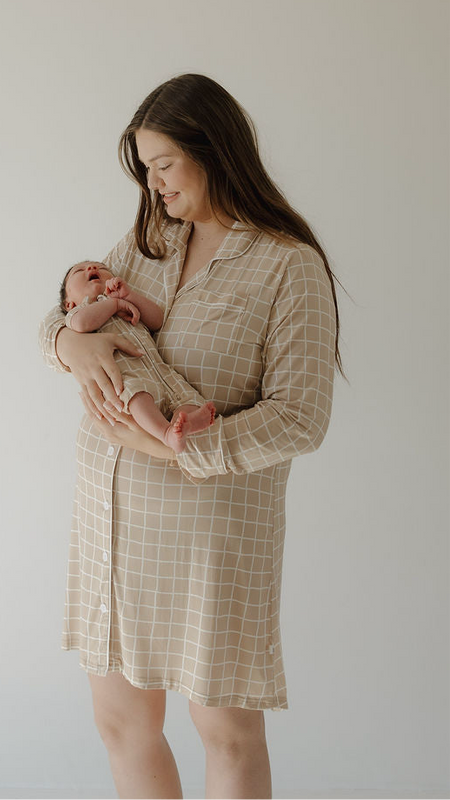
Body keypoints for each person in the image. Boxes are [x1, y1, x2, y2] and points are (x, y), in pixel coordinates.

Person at [39, 73, 343, 800]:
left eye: (164, 164)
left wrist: (178, 449)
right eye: (146, 169)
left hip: (211, 533)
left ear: (214, 150)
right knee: (121, 723)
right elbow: (73, 302)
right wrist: (65, 342)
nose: (154, 184)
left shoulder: (287, 264)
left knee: (225, 732)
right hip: (112, 522)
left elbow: (300, 416)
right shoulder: (150, 241)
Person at [60, 259, 216, 453]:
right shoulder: (76, 313)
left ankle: (183, 425)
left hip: (161, 373)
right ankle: (166, 433)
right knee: (138, 400)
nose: (92, 268)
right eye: (79, 271)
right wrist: (115, 304)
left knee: (187, 397)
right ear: (69, 303)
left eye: (102, 268)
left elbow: (157, 320)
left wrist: (129, 296)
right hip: (129, 378)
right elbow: (82, 324)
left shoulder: (126, 302)